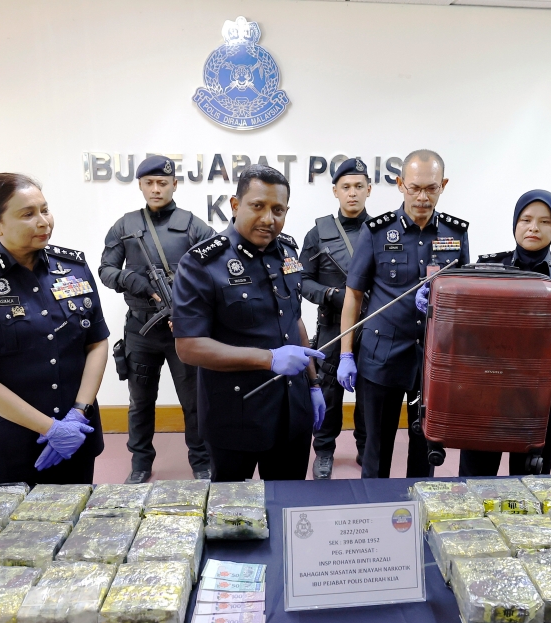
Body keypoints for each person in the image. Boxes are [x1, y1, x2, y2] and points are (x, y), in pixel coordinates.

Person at [0, 173, 109, 485]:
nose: (43, 222)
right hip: (7, 441)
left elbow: (97, 342)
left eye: (45, 210)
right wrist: (50, 428)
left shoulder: (72, 267)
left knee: (79, 513)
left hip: (75, 434)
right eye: (28, 214)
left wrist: (78, 413)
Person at [171, 164, 327, 482]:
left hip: (291, 412)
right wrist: (268, 359)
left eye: (278, 210)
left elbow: (294, 319)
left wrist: (313, 384)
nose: (268, 219)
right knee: (232, 509)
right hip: (235, 415)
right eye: (258, 206)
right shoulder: (202, 263)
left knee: (288, 504)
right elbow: (188, 347)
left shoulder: (288, 253)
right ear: (234, 205)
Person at [339, 149, 470, 479]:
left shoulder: (455, 234)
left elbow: (464, 296)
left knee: (425, 445)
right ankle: (373, 505)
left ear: (443, 186)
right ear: (400, 184)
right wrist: (345, 354)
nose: (423, 197)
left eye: (431, 188)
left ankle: (417, 504)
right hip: (381, 356)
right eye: (415, 188)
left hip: (430, 359)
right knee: (377, 448)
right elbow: (353, 295)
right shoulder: (377, 231)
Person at [447, 189, 551, 477]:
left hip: (541, 402)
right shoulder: (488, 267)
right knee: (474, 482)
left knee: (527, 488)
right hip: (487, 396)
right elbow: (463, 332)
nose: (533, 228)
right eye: (526, 220)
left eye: (544, 222)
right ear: (515, 223)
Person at [99, 155, 215, 483]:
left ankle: (201, 461)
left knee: (194, 402)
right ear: (140, 185)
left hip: (184, 329)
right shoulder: (125, 226)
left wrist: (191, 308)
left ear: (174, 184)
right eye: (149, 183)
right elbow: (105, 270)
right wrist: (130, 279)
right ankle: (140, 463)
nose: (155, 189)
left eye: (162, 183)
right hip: (141, 329)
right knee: (140, 401)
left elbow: (216, 272)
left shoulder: (194, 225)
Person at [299, 157, 370, 479]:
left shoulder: (381, 230)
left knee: (370, 395)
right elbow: (301, 280)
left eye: (358, 186)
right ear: (335, 191)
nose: (352, 193)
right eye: (346, 187)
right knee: (329, 393)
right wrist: (330, 294)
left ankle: (366, 448)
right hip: (331, 327)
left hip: (372, 327)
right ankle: (324, 451)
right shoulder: (318, 233)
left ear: (368, 190)